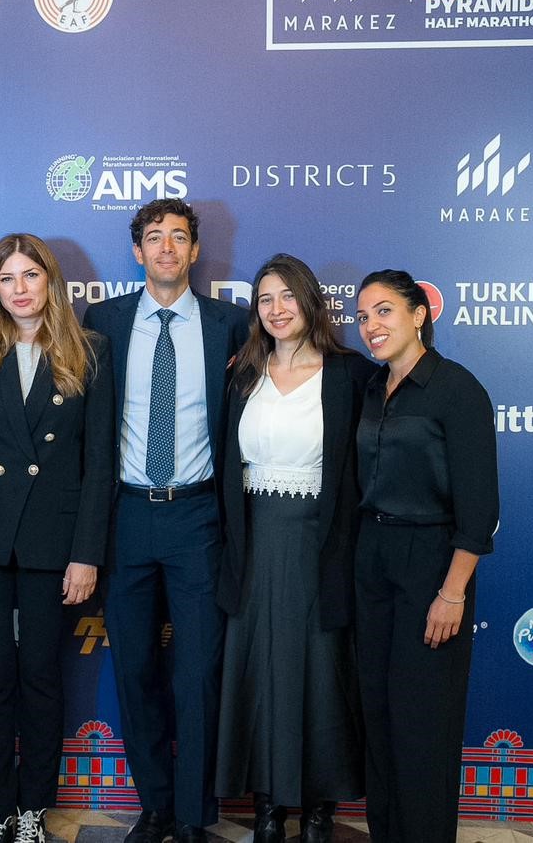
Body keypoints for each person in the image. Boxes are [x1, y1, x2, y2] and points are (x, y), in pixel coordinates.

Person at [0, 234, 114, 843]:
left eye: (30, 275)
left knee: (39, 676)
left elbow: (98, 462)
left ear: (50, 281)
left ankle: (33, 809)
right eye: (7, 278)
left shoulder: (90, 350)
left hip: (51, 542)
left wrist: (86, 553)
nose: (19, 288)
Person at [83, 199, 247, 843]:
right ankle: (153, 807)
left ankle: (193, 813)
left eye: (179, 237)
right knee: (134, 670)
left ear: (195, 250)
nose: (167, 248)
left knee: (198, 673)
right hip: (126, 515)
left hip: (198, 515)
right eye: (155, 237)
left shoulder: (231, 324)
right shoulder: (103, 321)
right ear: (138, 251)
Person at [214, 255, 373, 843]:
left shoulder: (350, 373)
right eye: (265, 299)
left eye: (287, 296)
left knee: (321, 673)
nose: (277, 309)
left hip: (321, 545)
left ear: (310, 301)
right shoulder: (242, 373)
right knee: (257, 672)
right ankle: (266, 807)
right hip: (253, 545)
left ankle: (318, 807)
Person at [352, 270, 499, 843]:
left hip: (432, 563)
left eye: (384, 311)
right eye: (363, 316)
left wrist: (452, 592)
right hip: (372, 558)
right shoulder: (370, 388)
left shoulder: (457, 389)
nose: (371, 325)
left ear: (419, 315)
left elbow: (479, 508)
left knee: (423, 722)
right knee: (379, 714)